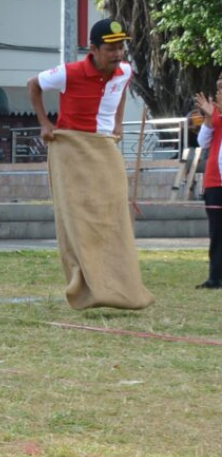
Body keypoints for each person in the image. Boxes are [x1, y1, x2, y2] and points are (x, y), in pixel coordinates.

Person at [27, 17, 153, 310]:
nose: (118, 53)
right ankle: (85, 284)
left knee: (113, 211)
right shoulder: (68, 73)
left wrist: (119, 122)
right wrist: (45, 123)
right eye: (111, 48)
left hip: (104, 145)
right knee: (77, 218)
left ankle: (121, 285)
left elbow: (121, 94)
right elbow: (33, 84)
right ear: (94, 50)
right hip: (71, 148)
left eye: (121, 47)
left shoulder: (124, 72)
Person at [192, 72, 222, 288]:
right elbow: (203, 142)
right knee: (216, 232)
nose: (219, 92)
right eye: (219, 88)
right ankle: (215, 277)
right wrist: (209, 120)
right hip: (214, 182)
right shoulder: (215, 116)